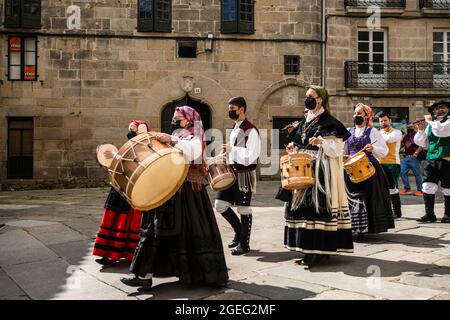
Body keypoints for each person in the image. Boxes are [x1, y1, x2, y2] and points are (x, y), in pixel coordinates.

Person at [120, 106, 228, 290]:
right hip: (170, 187)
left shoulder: (194, 135)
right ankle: (143, 275)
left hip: (189, 192)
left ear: (189, 120)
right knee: (156, 230)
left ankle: (203, 273)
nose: (175, 120)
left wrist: (172, 139)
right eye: (174, 117)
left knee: (181, 231)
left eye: (179, 117)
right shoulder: (181, 135)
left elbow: (193, 152)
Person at [281, 85, 354, 267]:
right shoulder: (306, 120)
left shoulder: (330, 122)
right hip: (303, 168)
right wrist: (293, 148)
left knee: (316, 209)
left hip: (321, 171)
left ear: (320, 99)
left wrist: (321, 141)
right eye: (306, 97)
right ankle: (308, 249)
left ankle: (318, 251)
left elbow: (337, 150)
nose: (307, 99)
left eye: (310, 96)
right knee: (301, 209)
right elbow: (299, 142)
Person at [92, 121, 149, 266]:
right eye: (131, 129)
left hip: (133, 189)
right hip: (119, 188)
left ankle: (126, 254)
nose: (132, 131)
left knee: (127, 223)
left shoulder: (146, 147)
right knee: (113, 220)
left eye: (135, 129)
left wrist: (115, 155)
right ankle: (107, 254)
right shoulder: (130, 144)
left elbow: (135, 162)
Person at [214, 97, 261, 256]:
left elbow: (251, 156)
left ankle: (244, 244)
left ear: (241, 109)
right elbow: (232, 152)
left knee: (243, 208)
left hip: (244, 174)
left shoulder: (251, 130)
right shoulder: (235, 127)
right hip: (231, 172)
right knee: (220, 205)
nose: (230, 111)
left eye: (232, 108)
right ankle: (239, 232)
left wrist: (232, 149)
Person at [345, 103, 395, 238]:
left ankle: (365, 228)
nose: (356, 116)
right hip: (351, 170)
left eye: (360, 113)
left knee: (366, 197)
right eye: (355, 113)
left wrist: (373, 149)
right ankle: (353, 226)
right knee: (351, 197)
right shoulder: (348, 131)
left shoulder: (372, 132)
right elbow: (343, 149)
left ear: (367, 116)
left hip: (369, 170)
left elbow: (383, 151)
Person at [414, 100, 450, 223]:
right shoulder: (431, 125)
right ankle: (429, 214)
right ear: (434, 112)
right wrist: (420, 130)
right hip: (431, 159)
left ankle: (448, 215)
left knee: (448, 188)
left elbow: (443, 131)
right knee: (427, 186)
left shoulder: (448, 121)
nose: (440, 110)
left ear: (447, 109)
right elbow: (421, 143)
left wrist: (429, 121)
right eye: (437, 108)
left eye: (443, 107)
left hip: (447, 160)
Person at [379, 113, 403, 218]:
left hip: (392, 163)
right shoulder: (378, 132)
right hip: (379, 162)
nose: (383, 123)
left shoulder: (397, 132)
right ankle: (385, 211)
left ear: (390, 121)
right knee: (380, 189)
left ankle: (397, 211)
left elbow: (388, 139)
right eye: (381, 121)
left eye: (385, 120)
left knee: (392, 188)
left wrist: (376, 136)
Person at [399, 122, 424, 196]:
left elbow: (422, 145)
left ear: (414, 127)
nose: (409, 128)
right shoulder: (406, 136)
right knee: (402, 172)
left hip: (414, 158)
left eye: (411, 127)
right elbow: (402, 144)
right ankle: (407, 189)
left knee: (417, 174)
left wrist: (416, 153)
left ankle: (420, 190)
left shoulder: (417, 134)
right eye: (408, 127)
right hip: (406, 157)